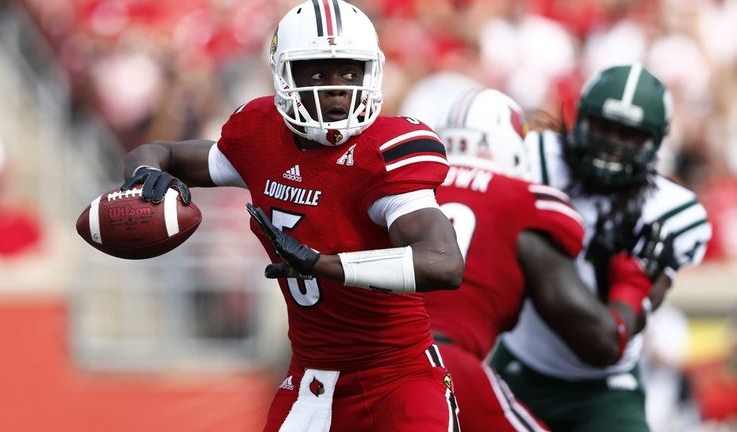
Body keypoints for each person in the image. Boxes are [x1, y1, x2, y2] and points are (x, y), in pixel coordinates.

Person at [118, 1, 465, 431]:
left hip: (398, 376)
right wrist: (143, 171)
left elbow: (444, 263)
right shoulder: (258, 133)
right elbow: (164, 153)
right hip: (312, 379)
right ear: (284, 75)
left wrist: (325, 266)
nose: (336, 88)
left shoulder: (384, 151)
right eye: (317, 73)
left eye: (350, 72)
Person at [421, 87, 672, 432]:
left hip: (362, 359)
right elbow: (602, 342)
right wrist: (633, 285)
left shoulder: (401, 186)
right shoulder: (523, 203)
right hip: (448, 364)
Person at [490, 64, 712, 432]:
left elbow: (619, 331)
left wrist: (635, 287)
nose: (612, 144)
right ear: (581, 120)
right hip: (521, 366)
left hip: (605, 390)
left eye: (628, 134)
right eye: (604, 127)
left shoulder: (672, 212)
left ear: (654, 143)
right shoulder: (536, 158)